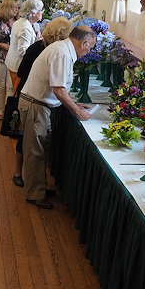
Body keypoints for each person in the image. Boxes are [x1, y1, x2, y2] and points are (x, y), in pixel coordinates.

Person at [19, 25, 96, 209]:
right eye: (90, 47)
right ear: (84, 42)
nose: (88, 52)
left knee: (41, 149)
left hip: (40, 105)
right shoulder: (62, 53)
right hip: (35, 105)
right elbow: (59, 89)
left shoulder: (63, 49)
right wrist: (78, 112)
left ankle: (39, 187)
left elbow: (60, 88)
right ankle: (34, 194)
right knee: (35, 152)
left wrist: (74, 104)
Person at [11, 17, 73, 189]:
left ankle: (37, 185)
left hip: (34, 98)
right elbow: (22, 71)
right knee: (29, 145)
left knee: (33, 146)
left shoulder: (54, 49)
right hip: (30, 97)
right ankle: (22, 178)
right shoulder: (39, 48)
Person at [5, 0, 44, 92]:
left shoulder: (20, 22)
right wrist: (37, 43)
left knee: (11, 92)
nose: (42, 12)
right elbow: (23, 51)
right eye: (41, 10)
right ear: (33, 13)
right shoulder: (25, 27)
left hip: (12, 63)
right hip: (18, 66)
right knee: (16, 93)